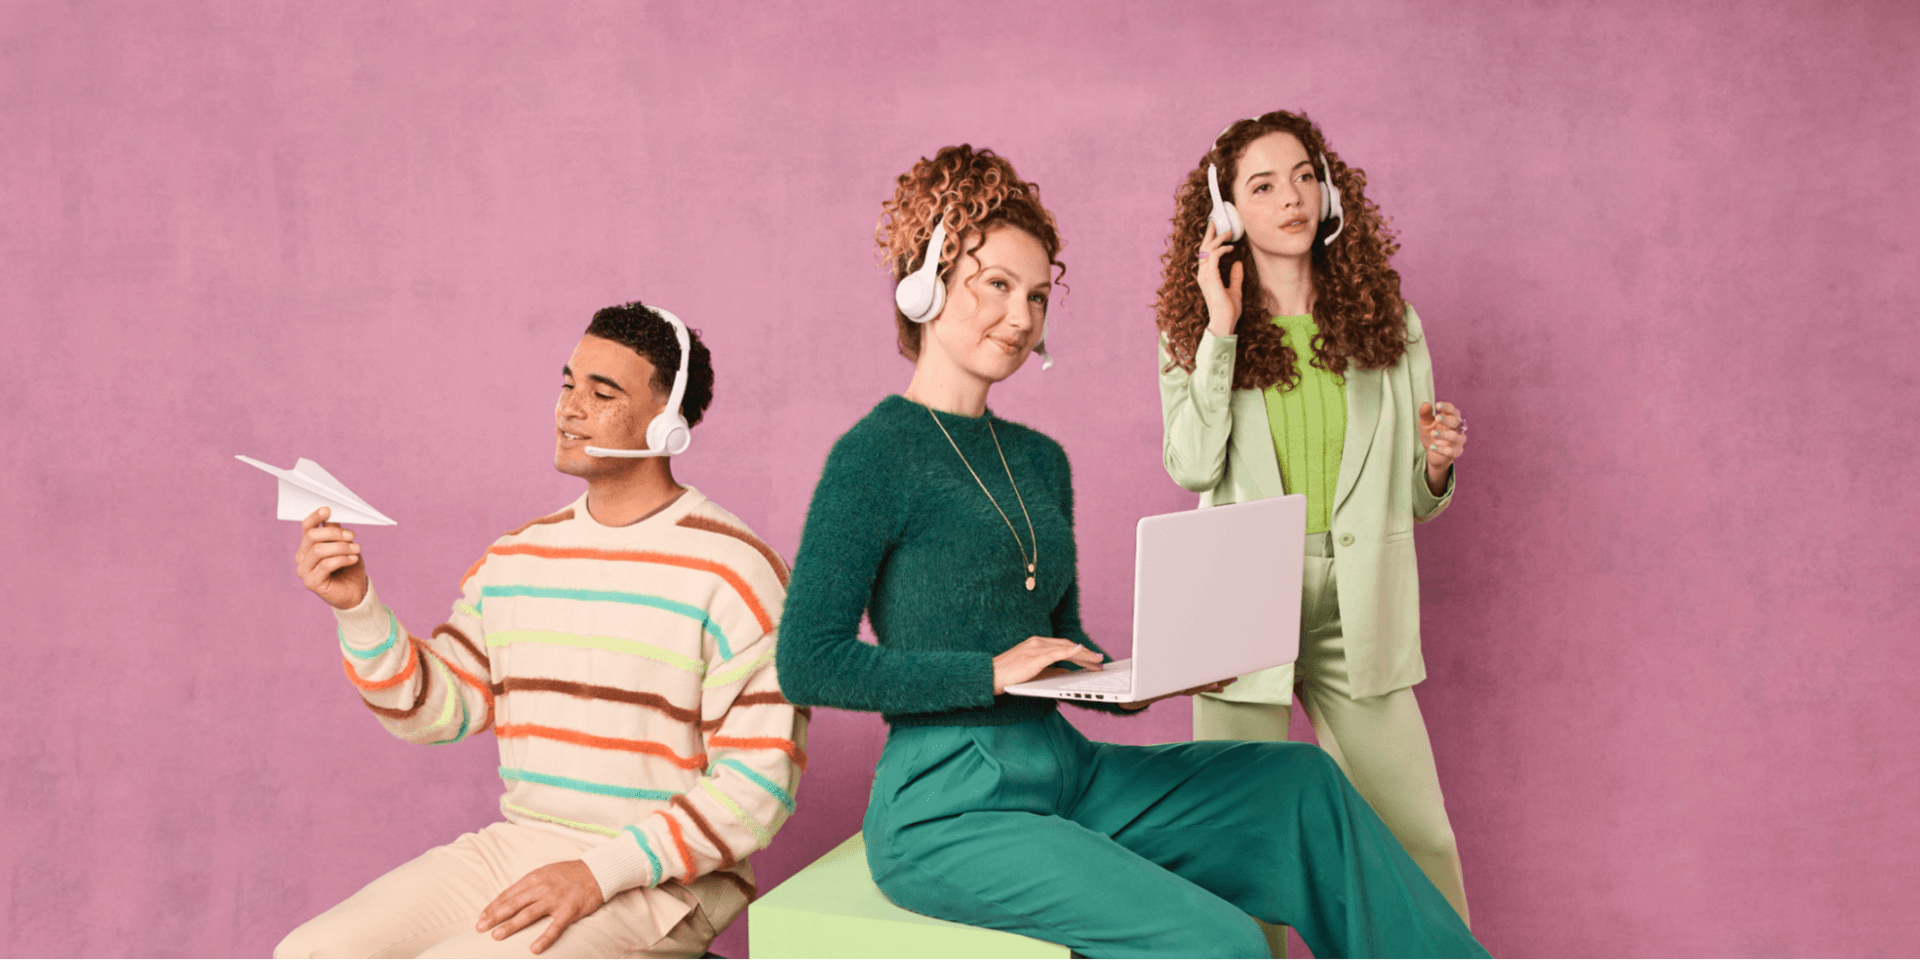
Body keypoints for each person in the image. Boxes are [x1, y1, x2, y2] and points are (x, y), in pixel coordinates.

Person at [776, 145, 1487, 960]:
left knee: (1299, 788)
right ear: (927, 285)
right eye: (997, 286)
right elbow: (808, 661)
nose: (1021, 317)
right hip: (946, 804)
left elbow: (1061, 642)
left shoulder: (1041, 459)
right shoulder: (872, 456)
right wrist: (987, 673)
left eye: (1038, 296)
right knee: (1221, 944)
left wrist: (1140, 676)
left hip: (1067, 770)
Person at [274, 302, 804, 959]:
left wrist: (595, 874)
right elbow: (438, 710)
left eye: (601, 392)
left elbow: (758, 787)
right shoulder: (518, 557)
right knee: (308, 953)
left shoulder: (738, 570)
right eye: (567, 383)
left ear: (667, 425)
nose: (569, 408)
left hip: (669, 885)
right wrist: (356, 608)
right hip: (522, 846)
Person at [1156, 110, 1474, 934]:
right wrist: (1221, 333)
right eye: (1262, 186)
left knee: (1416, 832)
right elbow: (1192, 463)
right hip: (1236, 600)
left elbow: (1411, 498)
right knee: (1239, 840)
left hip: (1359, 591)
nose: (1290, 198)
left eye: (1303, 175)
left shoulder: (1390, 324)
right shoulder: (1193, 333)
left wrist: (1436, 464)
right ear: (1227, 214)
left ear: (1329, 190)